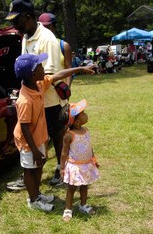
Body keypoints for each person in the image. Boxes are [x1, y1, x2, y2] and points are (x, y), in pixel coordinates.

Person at [13, 53, 95, 212]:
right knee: (30, 170)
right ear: (32, 74)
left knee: (39, 166)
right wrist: (35, 150)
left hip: (39, 138)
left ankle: (37, 194)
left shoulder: (38, 85)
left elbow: (58, 75)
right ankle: (33, 200)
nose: (44, 68)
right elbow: (24, 128)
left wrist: (81, 68)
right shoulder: (24, 100)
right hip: (27, 142)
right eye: (40, 67)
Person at [4, 0, 62, 192]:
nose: (15, 27)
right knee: (34, 144)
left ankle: (55, 172)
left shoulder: (48, 39)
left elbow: (51, 73)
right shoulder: (26, 37)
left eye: (17, 21)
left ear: (28, 17)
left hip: (48, 102)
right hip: (33, 101)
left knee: (50, 139)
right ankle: (30, 178)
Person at [38, 12, 73, 186]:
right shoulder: (39, 42)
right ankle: (38, 168)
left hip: (58, 98)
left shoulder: (62, 45)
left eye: (48, 26)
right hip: (40, 98)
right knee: (43, 136)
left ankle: (61, 166)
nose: (44, 29)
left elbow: (68, 68)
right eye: (42, 26)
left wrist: (66, 90)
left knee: (58, 135)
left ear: (54, 26)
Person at [60, 99, 100, 221]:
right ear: (77, 122)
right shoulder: (69, 135)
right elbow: (64, 153)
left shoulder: (86, 130)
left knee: (84, 186)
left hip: (86, 165)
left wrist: (93, 158)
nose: (86, 114)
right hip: (75, 167)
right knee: (71, 188)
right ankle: (68, 209)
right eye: (83, 113)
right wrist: (62, 168)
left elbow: (89, 146)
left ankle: (83, 204)